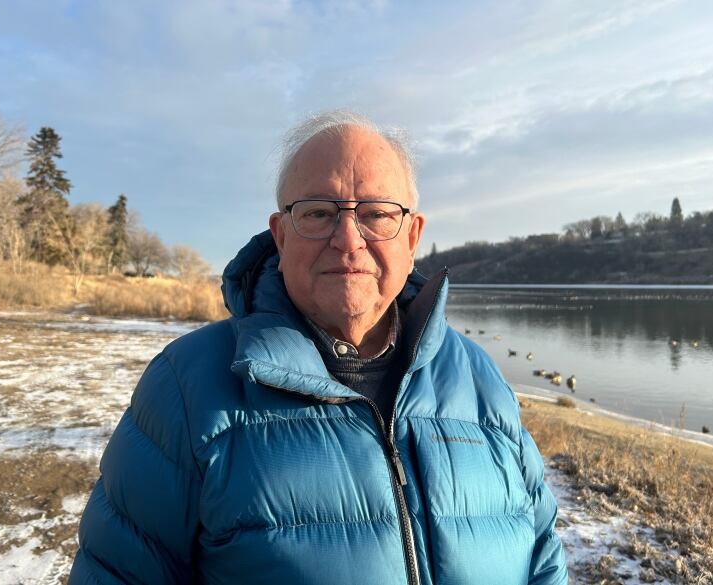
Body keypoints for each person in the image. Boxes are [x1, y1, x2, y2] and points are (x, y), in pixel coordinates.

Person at [69, 111, 567, 584]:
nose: (348, 239)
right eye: (318, 213)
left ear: (412, 237)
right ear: (281, 236)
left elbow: (543, 555)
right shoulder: (185, 388)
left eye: (376, 213)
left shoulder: (478, 378)